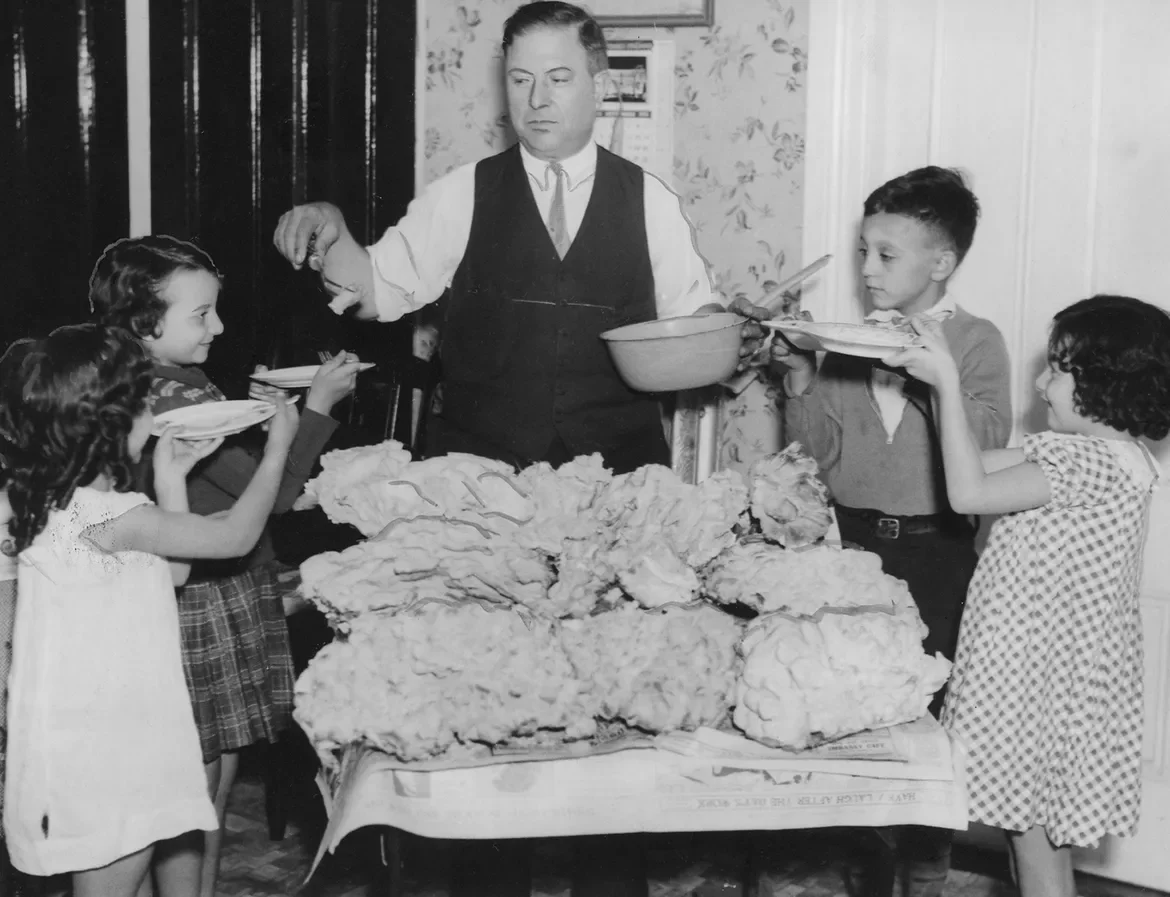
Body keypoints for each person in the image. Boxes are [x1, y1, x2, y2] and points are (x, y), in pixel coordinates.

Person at [272, 0, 767, 479]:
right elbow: (372, 296)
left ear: (601, 85)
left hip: (618, 477)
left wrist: (730, 332)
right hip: (477, 476)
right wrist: (330, 231)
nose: (537, 100)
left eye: (559, 79)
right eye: (520, 79)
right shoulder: (460, 193)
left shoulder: (651, 201)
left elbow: (692, 324)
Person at [87, 235, 364, 897]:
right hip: (200, 597)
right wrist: (316, 409)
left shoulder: (173, 380)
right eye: (201, 314)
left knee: (214, 772)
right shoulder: (167, 397)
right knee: (195, 782)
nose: (220, 325)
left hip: (225, 587)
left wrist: (265, 411)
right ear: (143, 323)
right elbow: (277, 494)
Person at [771, 165, 1012, 897]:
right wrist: (803, 380)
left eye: (887, 255)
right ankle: (865, 865)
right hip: (853, 548)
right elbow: (818, 456)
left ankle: (928, 866)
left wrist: (928, 372)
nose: (867, 270)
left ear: (940, 263)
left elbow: (990, 443)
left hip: (938, 550)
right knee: (854, 703)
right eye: (863, 252)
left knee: (931, 711)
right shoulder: (847, 341)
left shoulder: (976, 341)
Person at [885, 294, 1170, 897]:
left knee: (1034, 846)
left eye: (1060, 369)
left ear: (1111, 383)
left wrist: (947, 384)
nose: (1041, 383)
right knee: (1035, 846)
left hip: (1038, 686)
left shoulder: (1089, 464)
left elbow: (966, 494)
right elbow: (972, 466)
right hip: (1052, 680)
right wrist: (935, 389)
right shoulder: (1107, 456)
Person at [0, 323, 298, 897]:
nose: (153, 411)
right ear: (109, 421)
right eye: (143, 401)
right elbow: (235, 537)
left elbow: (173, 576)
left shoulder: (75, 505)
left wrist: (170, 477)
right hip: (110, 743)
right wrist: (278, 447)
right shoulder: (108, 519)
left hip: (120, 729)